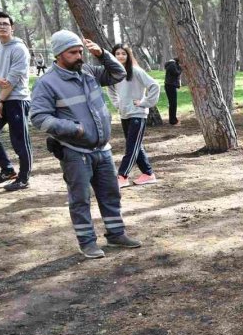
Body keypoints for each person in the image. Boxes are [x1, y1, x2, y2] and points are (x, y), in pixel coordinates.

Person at [30, 30, 141, 259]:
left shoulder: (88, 71)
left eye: (80, 51)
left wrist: (102, 54)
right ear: (59, 54)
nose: (79, 55)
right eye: (73, 52)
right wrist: (74, 128)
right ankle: (87, 242)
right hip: (74, 152)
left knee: (111, 194)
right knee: (80, 198)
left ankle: (116, 233)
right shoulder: (47, 83)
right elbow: (38, 118)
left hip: (102, 150)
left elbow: (119, 73)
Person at [0, 11, 33, 192]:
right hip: (0, 98)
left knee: (20, 140)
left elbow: (12, 80)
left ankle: (23, 178)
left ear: (12, 27)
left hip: (17, 100)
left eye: (6, 24)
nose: (2, 26)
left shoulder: (19, 49)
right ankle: (7, 170)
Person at [107, 43, 160, 187]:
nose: (120, 56)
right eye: (117, 53)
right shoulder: (114, 73)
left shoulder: (136, 71)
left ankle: (122, 176)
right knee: (136, 146)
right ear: (113, 56)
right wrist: (118, 104)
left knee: (132, 147)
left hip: (138, 113)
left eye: (123, 53)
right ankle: (148, 174)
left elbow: (155, 85)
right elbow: (110, 90)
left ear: (128, 55)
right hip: (125, 114)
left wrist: (145, 102)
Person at [163, 57, 181, 125]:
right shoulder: (172, 65)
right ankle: (173, 121)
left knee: (172, 104)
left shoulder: (170, 64)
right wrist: (181, 68)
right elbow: (176, 73)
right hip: (170, 86)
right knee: (173, 104)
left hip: (169, 85)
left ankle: (173, 120)